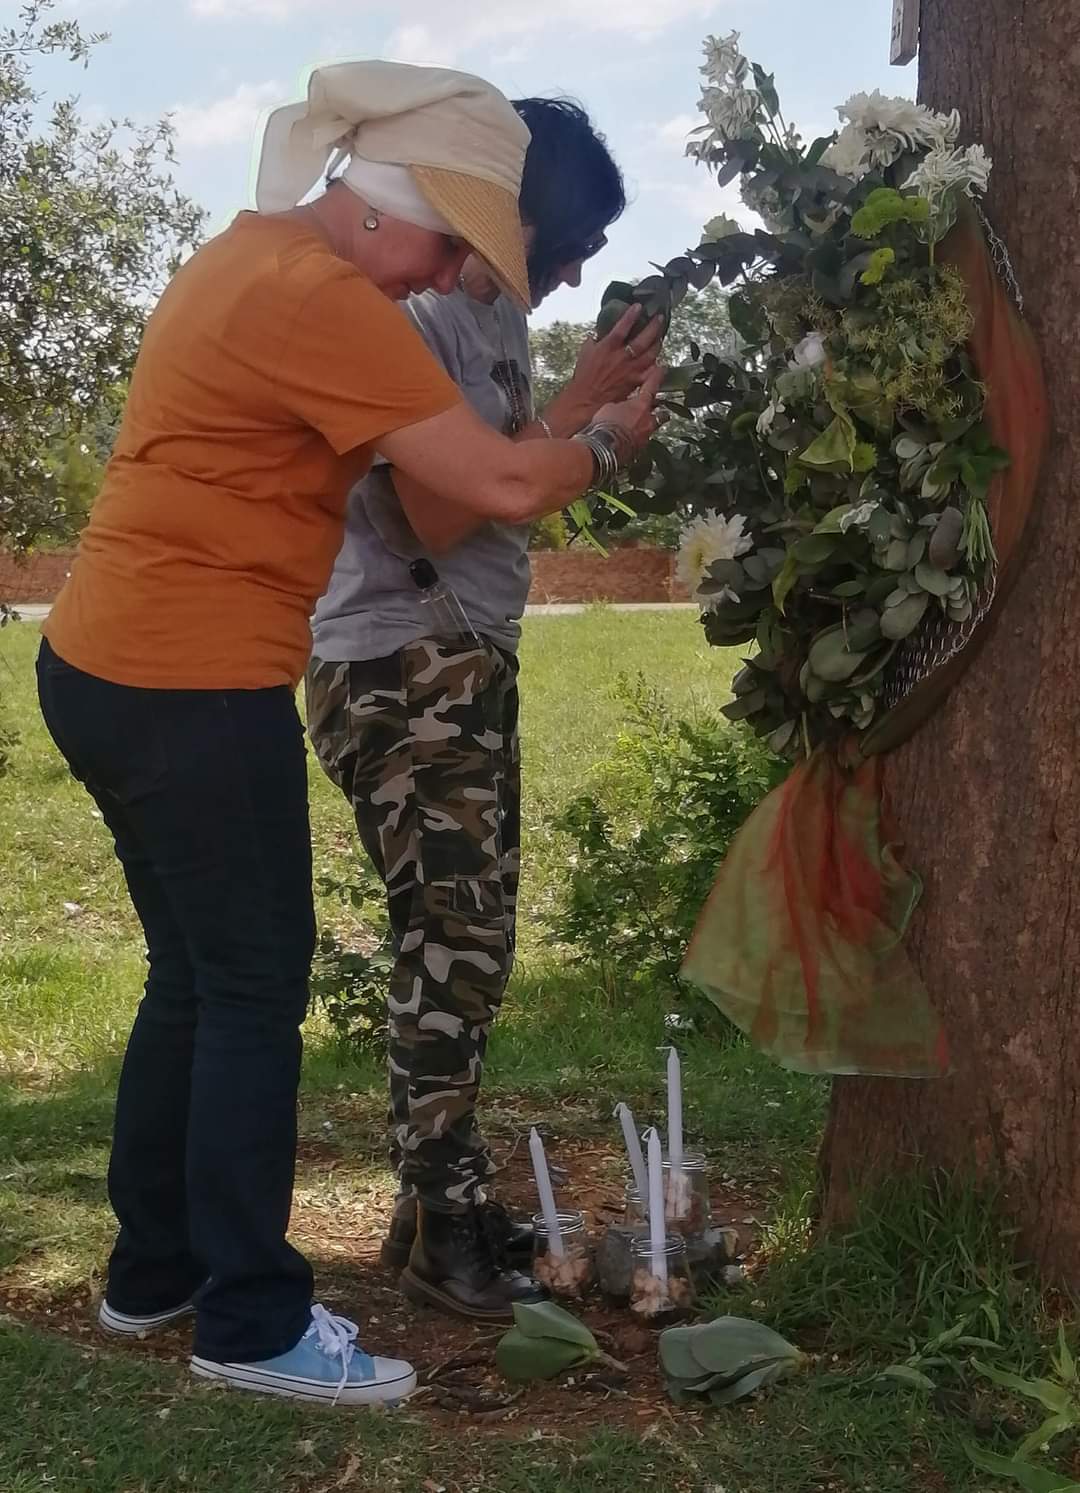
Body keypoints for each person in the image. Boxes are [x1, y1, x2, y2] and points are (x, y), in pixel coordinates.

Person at [35, 61, 659, 1408]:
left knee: (193, 975)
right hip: (190, 682)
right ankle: (252, 1322)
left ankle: (155, 1272)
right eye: (446, 243)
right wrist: (605, 439)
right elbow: (499, 481)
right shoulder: (321, 296)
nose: (442, 277)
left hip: (100, 663)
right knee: (254, 986)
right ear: (390, 204)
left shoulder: (250, 256)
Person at [306, 97, 663, 1323]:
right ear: (520, 217)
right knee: (455, 939)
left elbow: (510, 459)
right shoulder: (413, 314)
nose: (575, 274)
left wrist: (583, 417)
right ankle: (445, 1224)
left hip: (462, 654)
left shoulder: (495, 312)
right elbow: (441, 511)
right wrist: (584, 420)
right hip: (398, 660)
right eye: (569, 245)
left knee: (466, 937)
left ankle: (433, 1206)